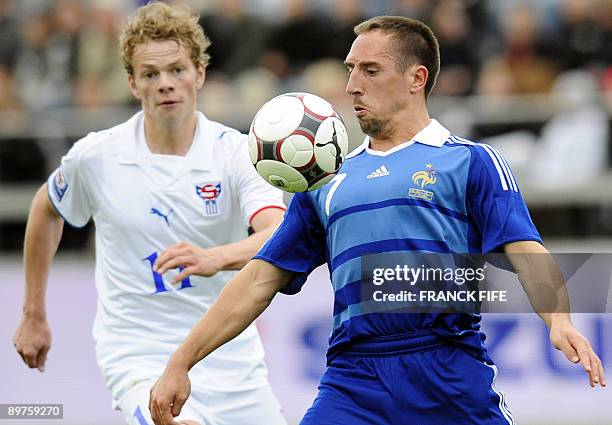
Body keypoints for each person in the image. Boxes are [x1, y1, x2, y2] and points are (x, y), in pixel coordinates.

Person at [148, 15, 606, 425]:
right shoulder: (324, 181)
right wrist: (181, 362)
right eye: (350, 69)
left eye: (369, 70)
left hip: (447, 375)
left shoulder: (471, 162)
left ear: (416, 78)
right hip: (354, 381)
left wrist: (559, 321)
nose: (351, 86)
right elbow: (257, 281)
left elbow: (525, 251)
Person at [12, 3, 287, 425]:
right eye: (150, 74)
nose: (165, 84)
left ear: (200, 73)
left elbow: (276, 232)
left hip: (230, 359)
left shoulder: (236, 153)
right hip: (140, 357)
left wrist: (216, 257)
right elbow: (46, 208)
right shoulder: (98, 156)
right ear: (132, 83)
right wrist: (33, 313)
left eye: (177, 70)